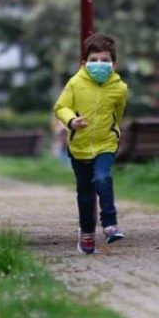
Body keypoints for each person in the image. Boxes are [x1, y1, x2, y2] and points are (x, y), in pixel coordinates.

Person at [54, 33, 128, 254]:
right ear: (84, 63)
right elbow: (60, 107)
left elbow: (118, 113)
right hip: (79, 147)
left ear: (114, 65)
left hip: (106, 143)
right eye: (94, 60)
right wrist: (71, 121)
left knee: (103, 177)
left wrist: (113, 132)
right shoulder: (75, 83)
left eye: (105, 60)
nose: (99, 64)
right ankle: (87, 232)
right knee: (85, 193)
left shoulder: (119, 88)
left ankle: (110, 225)